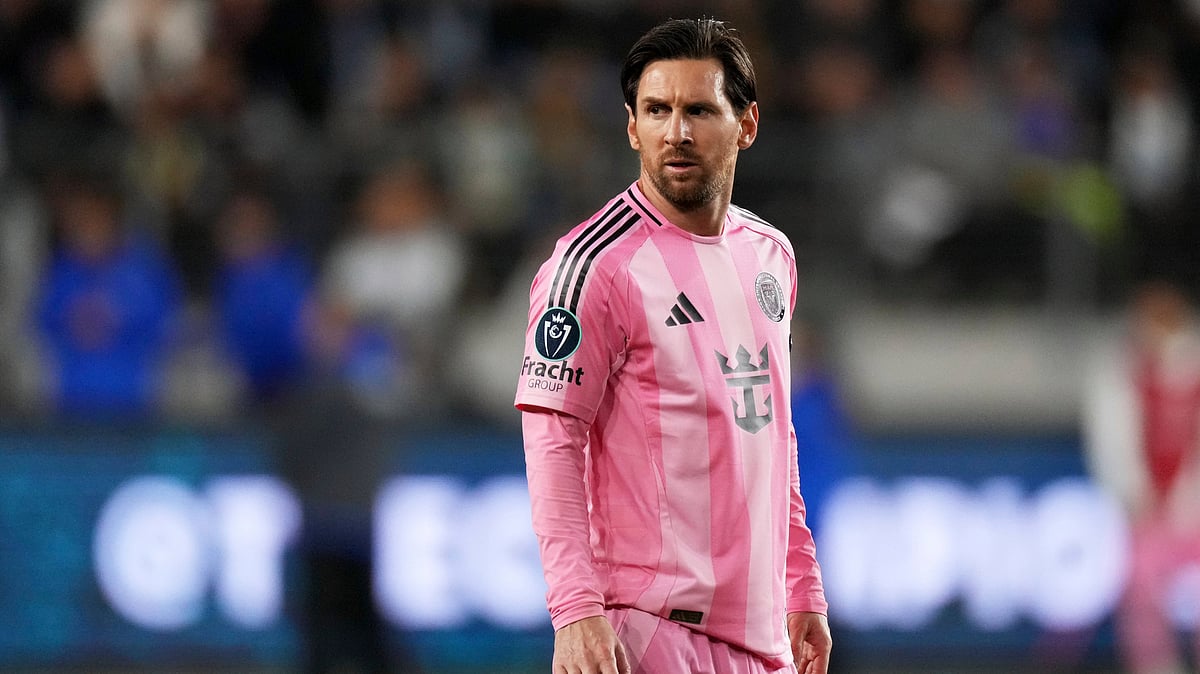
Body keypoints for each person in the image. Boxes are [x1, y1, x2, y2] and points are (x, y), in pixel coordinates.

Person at [515, 18, 831, 674]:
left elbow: (773, 431)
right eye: (656, 111)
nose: (676, 132)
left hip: (762, 634)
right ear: (632, 128)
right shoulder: (593, 266)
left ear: (746, 125)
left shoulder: (771, 255)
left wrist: (802, 584)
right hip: (648, 632)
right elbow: (552, 442)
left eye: (698, 110)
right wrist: (575, 611)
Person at [1083, 279, 1200, 674]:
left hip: (1194, 507)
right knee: (1141, 590)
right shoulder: (1122, 372)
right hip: (1146, 509)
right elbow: (1111, 439)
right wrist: (1130, 491)